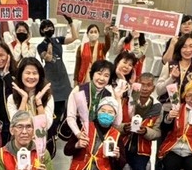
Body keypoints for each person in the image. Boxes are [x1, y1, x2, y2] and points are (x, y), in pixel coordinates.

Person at [113, 72, 162, 170]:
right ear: (137, 85)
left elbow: (157, 133)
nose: (145, 88)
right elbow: (114, 125)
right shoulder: (127, 101)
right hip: (122, 144)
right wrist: (125, 128)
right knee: (114, 165)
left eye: (148, 85)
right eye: (142, 84)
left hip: (142, 148)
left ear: (153, 88)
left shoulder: (157, 107)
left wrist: (145, 131)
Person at [37, 18, 76, 146]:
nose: (48, 29)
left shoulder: (58, 40)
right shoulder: (41, 45)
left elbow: (74, 37)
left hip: (61, 74)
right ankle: (51, 131)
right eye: (45, 27)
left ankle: (58, 129)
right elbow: (48, 58)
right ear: (42, 30)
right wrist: (49, 47)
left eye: (50, 27)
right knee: (51, 105)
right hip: (50, 76)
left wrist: (70, 23)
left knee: (62, 105)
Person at [6, 57, 54, 154]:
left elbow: (46, 126)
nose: (31, 77)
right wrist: (24, 99)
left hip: (40, 147)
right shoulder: (12, 98)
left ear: (40, 76)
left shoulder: (48, 97)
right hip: (19, 147)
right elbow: (15, 124)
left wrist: (38, 102)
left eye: (35, 73)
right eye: (27, 73)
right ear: (21, 74)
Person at [65, 59, 113, 141]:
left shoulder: (109, 95)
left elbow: (114, 120)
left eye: (106, 76)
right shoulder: (78, 90)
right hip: (78, 134)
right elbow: (70, 116)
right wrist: (78, 133)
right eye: (99, 74)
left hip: (99, 135)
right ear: (92, 74)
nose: (102, 78)